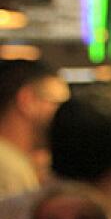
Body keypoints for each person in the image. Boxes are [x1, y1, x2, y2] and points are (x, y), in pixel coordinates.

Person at [0, 59, 69, 196]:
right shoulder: (9, 169)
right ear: (27, 100)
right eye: (58, 104)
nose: (66, 114)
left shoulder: (17, 162)